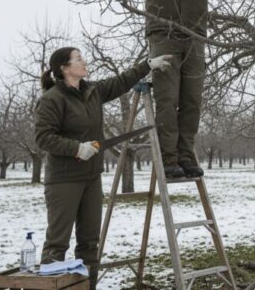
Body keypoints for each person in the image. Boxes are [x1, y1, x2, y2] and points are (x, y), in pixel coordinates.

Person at [35, 47, 171, 289]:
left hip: (91, 177)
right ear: (65, 68)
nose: (84, 61)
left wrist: (148, 64)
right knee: (58, 243)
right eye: (78, 59)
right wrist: (77, 148)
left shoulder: (92, 91)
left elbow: (121, 82)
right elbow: (43, 138)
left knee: (89, 243)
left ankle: (88, 287)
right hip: (64, 180)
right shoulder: (52, 99)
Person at [133, 0, 233, 179]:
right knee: (167, 99)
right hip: (164, 35)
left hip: (194, 37)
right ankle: (168, 159)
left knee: (192, 100)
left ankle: (186, 155)